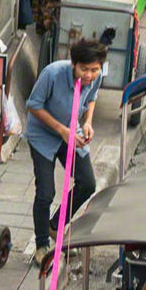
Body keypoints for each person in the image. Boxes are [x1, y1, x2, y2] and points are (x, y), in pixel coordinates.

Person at [25, 38, 104, 267]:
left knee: (87, 183)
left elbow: (91, 99)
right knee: (45, 193)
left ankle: (55, 225)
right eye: (84, 69)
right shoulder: (52, 74)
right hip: (43, 135)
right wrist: (61, 130)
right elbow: (33, 105)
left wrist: (88, 123)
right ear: (73, 64)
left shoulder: (95, 78)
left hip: (72, 132)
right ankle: (41, 246)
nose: (89, 75)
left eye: (94, 70)